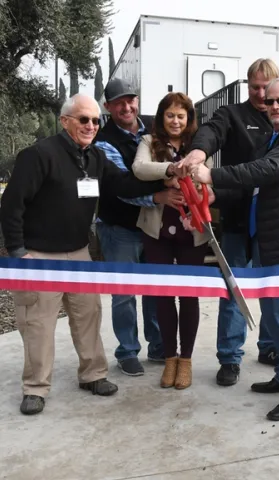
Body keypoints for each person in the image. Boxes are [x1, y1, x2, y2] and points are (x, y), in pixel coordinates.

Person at [0, 94, 166, 415]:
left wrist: (166, 179)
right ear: (65, 121)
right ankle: (35, 387)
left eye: (95, 120)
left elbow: (124, 185)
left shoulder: (94, 158)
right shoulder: (38, 155)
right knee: (38, 324)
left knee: (88, 316)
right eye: (83, 119)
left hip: (79, 254)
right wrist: (19, 251)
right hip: (38, 257)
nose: (91, 125)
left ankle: (93, 375)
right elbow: (11, 205)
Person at [191, 78, 279, 421]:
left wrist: (212, 177)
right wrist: (214, 194)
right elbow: (258, 185)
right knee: (278, 317)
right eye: (270, 101)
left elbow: (266, 170)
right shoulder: (278, 137)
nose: (275, 106)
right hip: (275, 242)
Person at [177, 58, 279, 388]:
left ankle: (269, 348)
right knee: (233, 290)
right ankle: (230, 358)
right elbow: (211, 131)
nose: (261, 94)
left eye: (267, 87)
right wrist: (198, 154)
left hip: (272, 220)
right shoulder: (232, 115)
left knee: (271, 290)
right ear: (247, 85)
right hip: (236, 217)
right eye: (254, 87)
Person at [132, 92, 212, 389]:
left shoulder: (199, 147)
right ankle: (169, 358)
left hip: (193, 230)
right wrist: (170, 172)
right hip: (157, 231)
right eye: (170, 115)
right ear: (161, 118)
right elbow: (139, 169)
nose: (175, 121)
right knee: (163, 295)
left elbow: (207, 175)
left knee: (189, 296)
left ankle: (187, 360)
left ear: (189, 119)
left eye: (181, 116)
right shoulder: (147, 142)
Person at [95, 78, 164, 377]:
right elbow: (119, 184)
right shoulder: (102, 140)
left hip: (151, 226)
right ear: (108, 107)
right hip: (119, 227)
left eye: (131, 100)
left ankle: (159, 346)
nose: (127, 106)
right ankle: (127, 351)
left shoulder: (154, 128)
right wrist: (160, 193)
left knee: (155, 290)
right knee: (123, 293)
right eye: (119, 102)